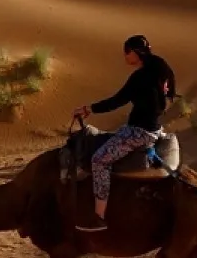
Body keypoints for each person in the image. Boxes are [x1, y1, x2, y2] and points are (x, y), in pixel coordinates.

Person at [72, 35, 176, 231]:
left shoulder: (140, 77)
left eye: (126, 52)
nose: (124, 57)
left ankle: (99, 217)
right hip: (154, 128)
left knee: (99, 160)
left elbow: (117, 101)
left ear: (135, 53)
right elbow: (171, 94)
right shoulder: (162, 67)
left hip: (140, 132)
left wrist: (87, 109)